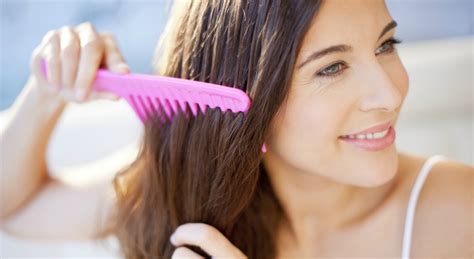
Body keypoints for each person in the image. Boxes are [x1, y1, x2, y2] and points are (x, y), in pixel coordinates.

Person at [1, 0, 472, 258]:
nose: (390, 93)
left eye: (387, 44)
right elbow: (11, 208)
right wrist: (45, 92)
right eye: (331, 68)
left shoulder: (455, 212)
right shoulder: (177, 195)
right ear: (243, 101)